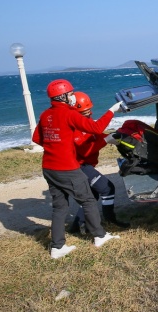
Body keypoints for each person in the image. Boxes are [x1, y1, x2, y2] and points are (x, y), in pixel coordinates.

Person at [32, 79, 123, 259]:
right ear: (63, 96)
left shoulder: (45, 115)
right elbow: (96, 127)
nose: (73, 96)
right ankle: (100, 236)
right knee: (88, 199)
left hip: (49, 167)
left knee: (60, 207)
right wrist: (113, 110)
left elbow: (37, 139)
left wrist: (57, 145)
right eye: (71, 93)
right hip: (67, 167)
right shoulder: (69, 114)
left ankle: (57, 247)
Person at [69, 92, 130, 234]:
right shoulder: (73, 126)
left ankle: (76, 227)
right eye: (84, 111)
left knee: (92, 196)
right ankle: (110, 219)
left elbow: (94, 133)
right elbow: (85, 151)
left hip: (84, 165)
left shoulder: (84, 119)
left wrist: (109, 137)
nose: (88, 113)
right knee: (107, 188)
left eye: (89, 110)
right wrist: (106, 140)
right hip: (79, 166)